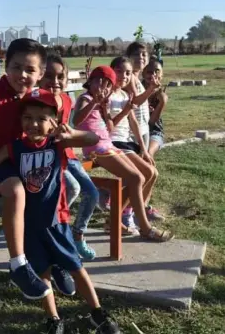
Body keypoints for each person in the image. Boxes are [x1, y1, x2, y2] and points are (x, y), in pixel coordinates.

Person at [0, 89, 121, 334]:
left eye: (41, 118)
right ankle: (53, 318)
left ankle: (97, 313)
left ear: (54, 122)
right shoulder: (14, 147)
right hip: (29, 226)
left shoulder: (58, 143)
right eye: (27, 117)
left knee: (76, 267)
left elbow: (92, 139)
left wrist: (71, 132)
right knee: (41, 272)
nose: (33, 124)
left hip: (57, 221)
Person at [0, 38, 74, 300]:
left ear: (40, 74)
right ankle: (18, 264)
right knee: (17, 191)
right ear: (5, 67)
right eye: (16, 67)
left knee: (55, 188)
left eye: (30, 70)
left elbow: (58, 118)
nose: (22, 75)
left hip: (25, 160)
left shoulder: (34, 97)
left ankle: (56, 259)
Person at [72, 65, 174, 241]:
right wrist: (95, 103)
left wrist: (104, 110)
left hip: (108, 145)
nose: (103, 87)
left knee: (142, 176)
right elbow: (76, 120)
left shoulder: (101, 102)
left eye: (108, 85)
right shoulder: (85, 98)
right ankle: (145, 227)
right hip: (95, 151)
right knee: (136, 178)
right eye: (99, 82)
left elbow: (109, 127)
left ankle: (118, 219)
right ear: (90, 82)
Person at [38, 52, 98, 260]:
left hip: (68, 154)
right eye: (48, 76)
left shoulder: (65, 99)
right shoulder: (36, 101)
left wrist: (67, 134)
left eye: (60, 76)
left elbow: (69, 131)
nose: (54, 82)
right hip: (49, 157)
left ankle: (77, 234)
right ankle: (49, 228)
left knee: (92, 193)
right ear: (39, 76)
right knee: (72, 188)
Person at [108, 56, 161, 231]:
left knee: (152, 173)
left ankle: (125, 213)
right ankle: (130, 218)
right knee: (141, 175)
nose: (123, 76)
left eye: (128, 73)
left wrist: (144, 150)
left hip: (126, 142)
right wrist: (125, 111)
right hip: (113, 142)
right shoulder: (105, 95)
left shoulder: (124, 94)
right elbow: (108, 127)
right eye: (119, 72)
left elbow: (133, 122)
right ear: (111, 71)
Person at [124, 42, 165, 222]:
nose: (141, 58)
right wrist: (151, 90)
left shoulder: (137, 78)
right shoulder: (130, 77)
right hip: (132, 134)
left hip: (143, 130)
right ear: (128, 57)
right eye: (137, 54)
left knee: (145, 173)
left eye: (144, 55)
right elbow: (135, 104)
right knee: (139, 175)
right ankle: (126, 213)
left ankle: (135, 209)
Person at [142, 60, 168, 157]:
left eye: (157, 71)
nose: (153, 74)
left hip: (154, 131)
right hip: (135, 130)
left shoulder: (161, 95)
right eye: (149, 72)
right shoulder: (136, 88)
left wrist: (162, 102)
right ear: (143, 73)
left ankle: (150, 172)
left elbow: (152, 122)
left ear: (162, 75)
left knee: (148, 153)